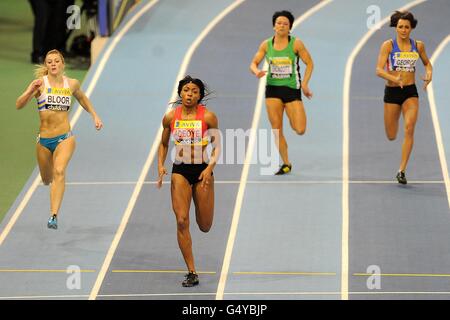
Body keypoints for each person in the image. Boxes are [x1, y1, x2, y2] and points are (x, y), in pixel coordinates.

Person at [16, 49, 103, 229]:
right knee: (47, 179)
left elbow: (82, 99)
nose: (53, 64)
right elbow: (19, 105)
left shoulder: (71, 84)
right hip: (44, 141)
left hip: (65, 138)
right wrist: (30, 91)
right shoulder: (40, 84)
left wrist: (95, 115)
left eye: (57, 61)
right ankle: (50, 191)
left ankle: (53, 215)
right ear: (46, 66)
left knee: (60, 171)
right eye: (50, 62)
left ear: (63, 64)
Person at [157, 75, 220, 287]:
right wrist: (160, 165)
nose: (189, 94)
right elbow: (164, 144)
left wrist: (210, 167)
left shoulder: (209, 117)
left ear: (200, 95)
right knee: (182, 220)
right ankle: (192, 271)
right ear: (180, 93)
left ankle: (203, 212)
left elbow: (217, 145)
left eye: (194, 91)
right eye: (186, 90)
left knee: (205, 225)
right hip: (180, 171)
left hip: (202, 171)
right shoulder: (170, 118)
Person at [249, 10, 314, 175]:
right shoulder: (266, 44)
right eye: (279, 23)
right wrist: (256, 70)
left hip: (292, 89)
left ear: (290, 27)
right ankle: (286, 163)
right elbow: (254, 62)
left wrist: (305, 84)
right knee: (277, 128)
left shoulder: (296, 44)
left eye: (285, 23)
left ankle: (291, 114)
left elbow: (310, 63)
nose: (281, 26)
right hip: (273, 90)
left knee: (300, 129)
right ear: (273, 26)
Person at [376, 11, 432, 184]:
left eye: (407, 27)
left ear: (411, 28)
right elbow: (378, 70)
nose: (403, 30)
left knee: (409, 127)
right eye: (400, 27)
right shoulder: (388, 45)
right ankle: (395, 122)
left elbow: (427, 63)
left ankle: (401, 170)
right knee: (391, 135)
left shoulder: (418, 45)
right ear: (396, 27)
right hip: (392, 92)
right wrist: (394, 78)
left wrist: (429, 73)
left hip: (410, 92)